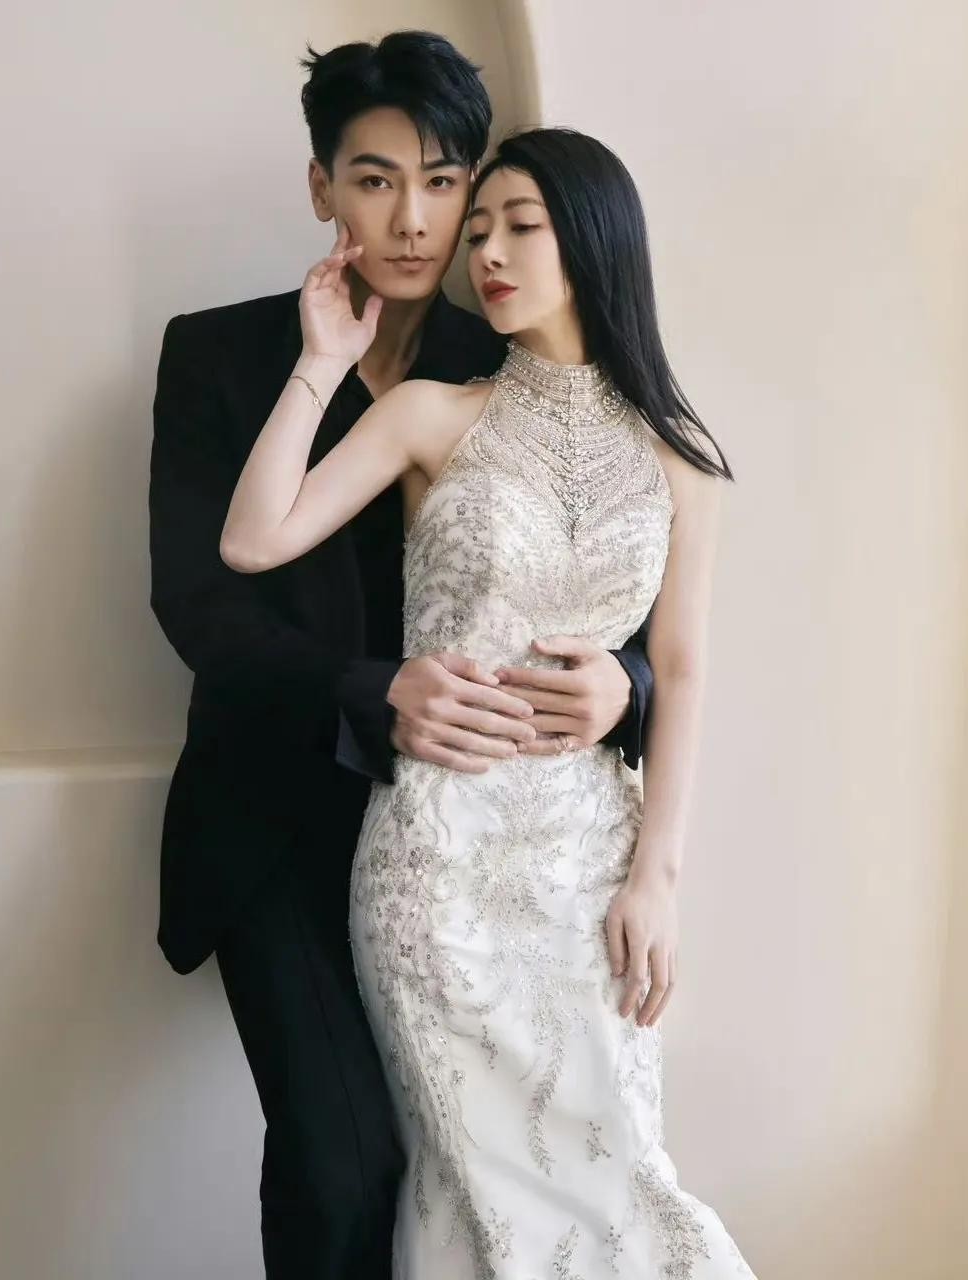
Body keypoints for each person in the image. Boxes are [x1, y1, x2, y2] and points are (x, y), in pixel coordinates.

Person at [150, 32, 649, 1280]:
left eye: (443, 181)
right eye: (375, 180)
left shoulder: (508, 358)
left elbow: (610, 567)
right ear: (323, 186)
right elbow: (200, 600)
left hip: (483, 838)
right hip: (279, 814)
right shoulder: (215, 355)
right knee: (342, 1159)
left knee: (491, 1175)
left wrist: (625, 682)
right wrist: (378, 691)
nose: (416, 220)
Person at [220, 126, 755, 1278]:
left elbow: (682, 669)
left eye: (521, 225)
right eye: (480, 233)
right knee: (475, 1186)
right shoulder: (431, 413)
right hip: (438, 861)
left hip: (592, 869)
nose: (489, 255)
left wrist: (658, 877)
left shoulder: (682, 456)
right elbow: (252, 539)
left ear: (596, 238)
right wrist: (321, 362)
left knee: (623, 1177)